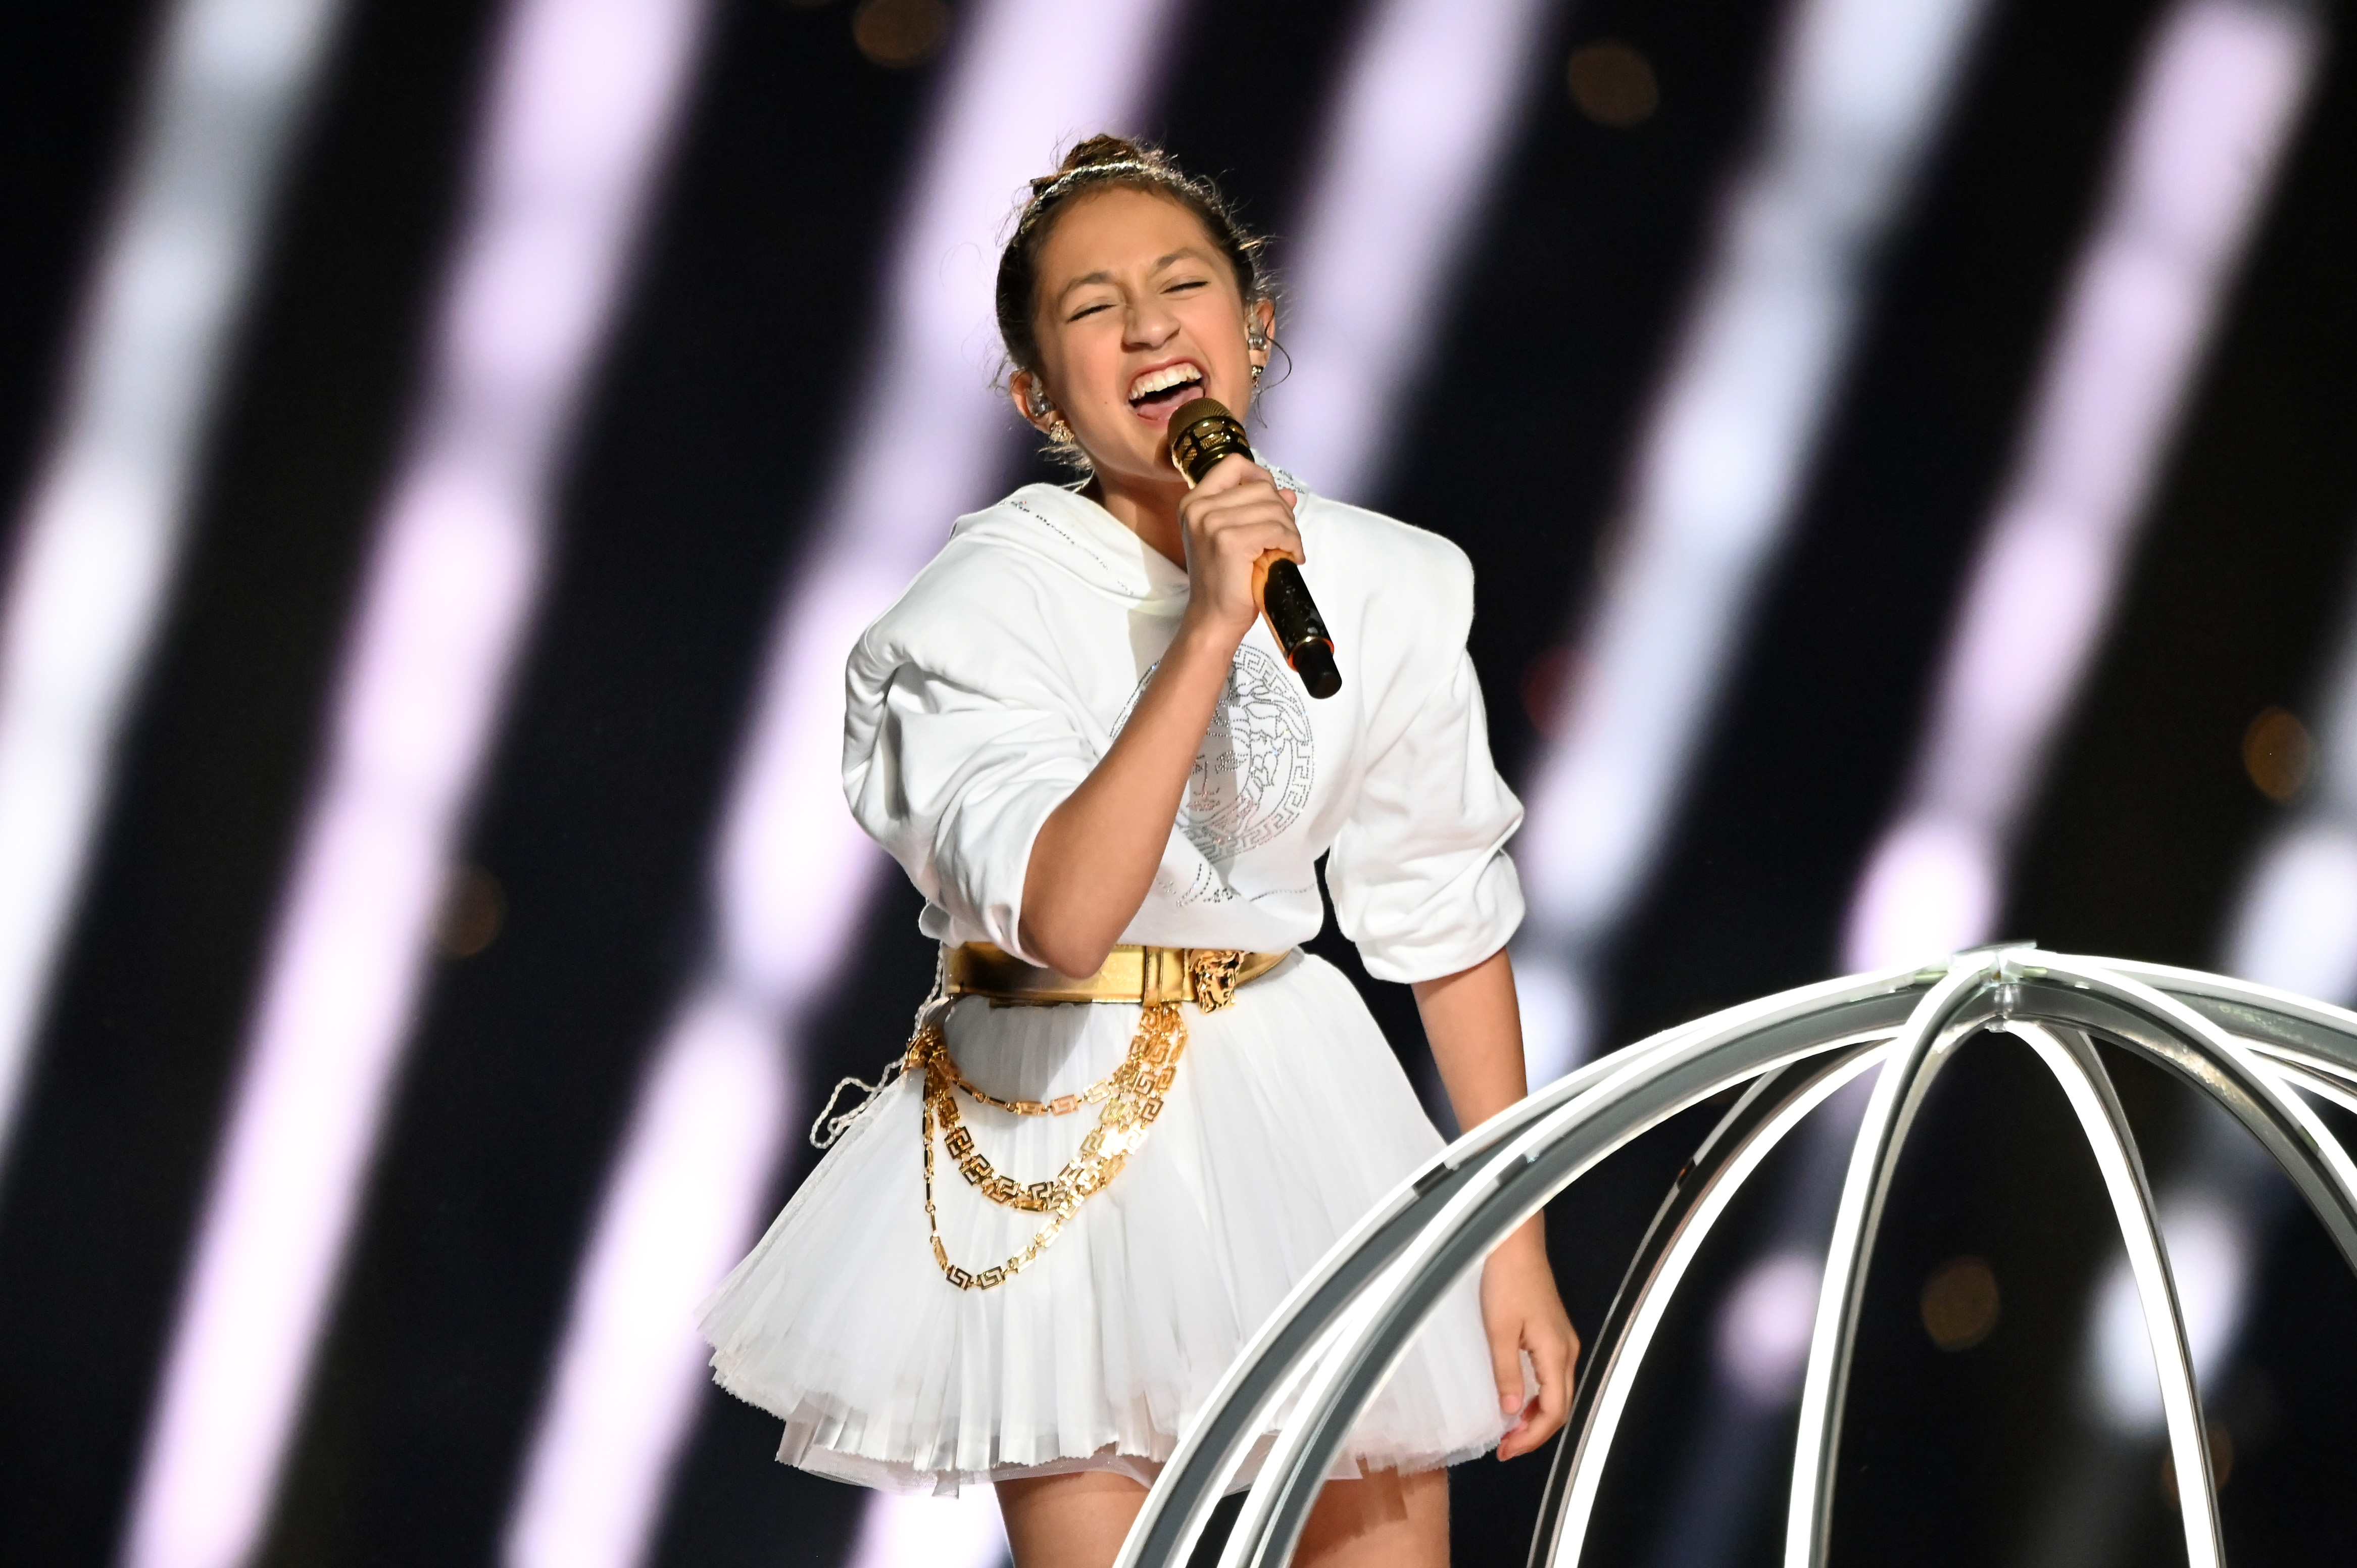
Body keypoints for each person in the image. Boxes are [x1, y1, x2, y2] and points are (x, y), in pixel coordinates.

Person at [701, 135, 1578, 1568]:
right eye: (1093, 307)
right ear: (1035, 392)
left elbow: (1442, 914)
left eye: (1183, 284)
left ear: (1256, 324)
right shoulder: (974, 614)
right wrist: (1211, 624)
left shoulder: (1393, 580)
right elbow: (1066, 912)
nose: (1150, 322)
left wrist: (1512, 1243)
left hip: (1302, 1095)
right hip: (1048, 1110)